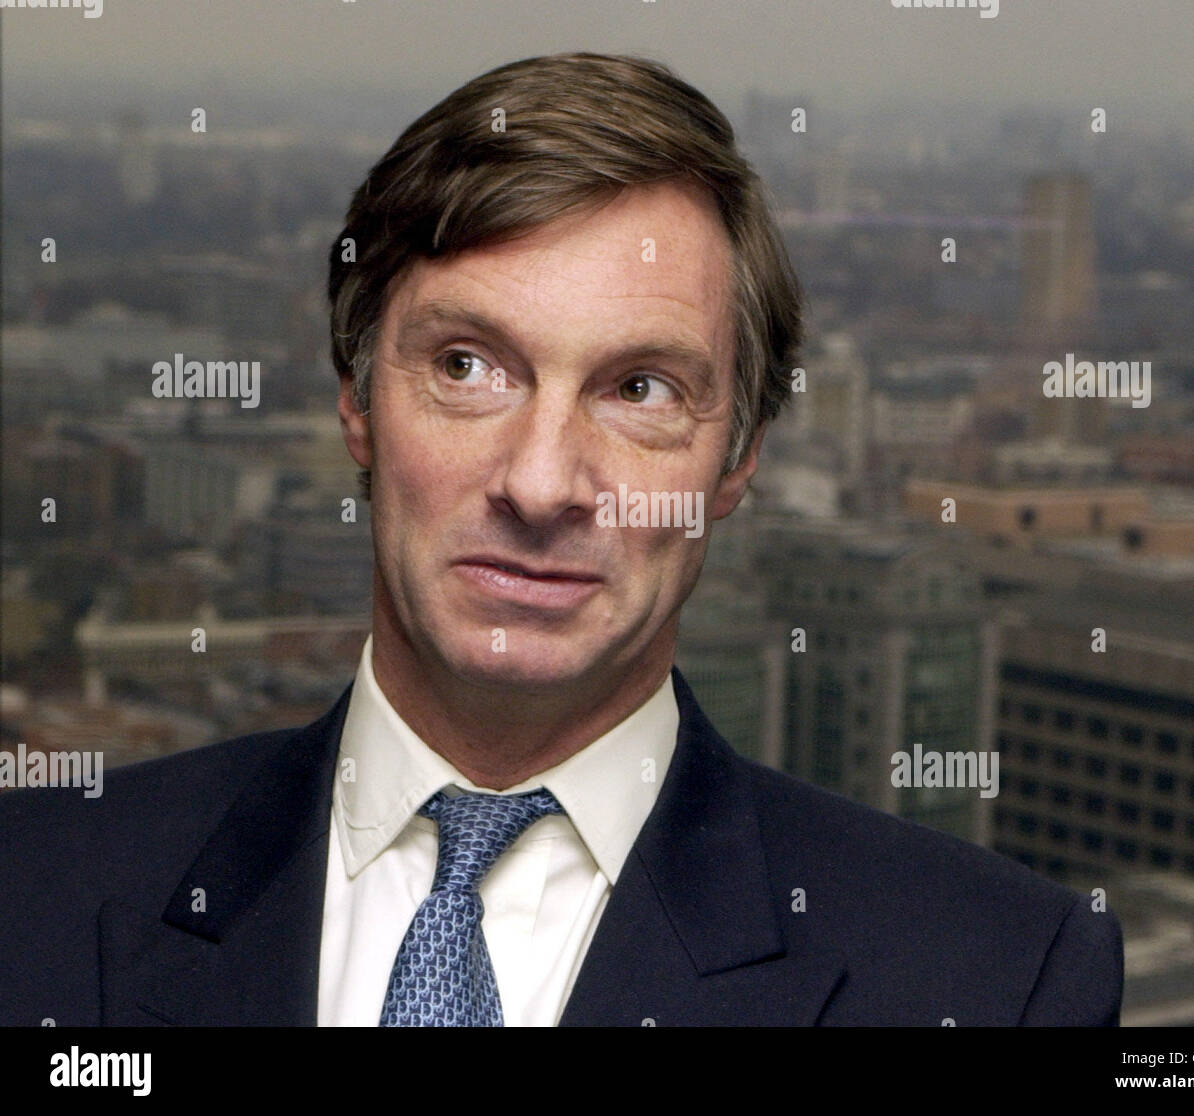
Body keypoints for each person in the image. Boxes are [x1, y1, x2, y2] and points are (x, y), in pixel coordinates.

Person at [0, 52, 1122, 1026]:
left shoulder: (994, 984)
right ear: (354, 402)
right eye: (467, 368)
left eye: (639, 388)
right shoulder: (28, 894)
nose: (541, 483)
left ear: (738, 458)